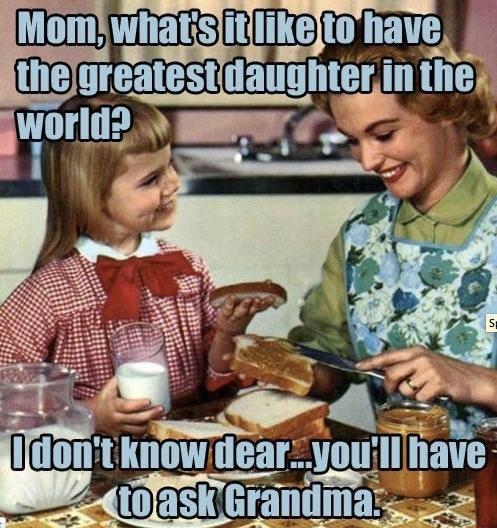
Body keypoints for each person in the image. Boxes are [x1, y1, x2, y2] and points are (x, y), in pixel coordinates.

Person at [0, 94, 274, 436]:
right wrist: (90, 415)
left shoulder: (189, 269)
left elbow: (214, 379)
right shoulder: (49, 294)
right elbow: (9, 399)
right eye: (151, 179)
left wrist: (229, 332)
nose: (174, 183)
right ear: (91, 194)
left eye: (170, 165)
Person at [289, 12, 497, 439]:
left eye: (383, 134)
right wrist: (278, 366)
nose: (367, 161)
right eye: (353, 140)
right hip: (403, 475)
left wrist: (477, 381)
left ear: (443, 106)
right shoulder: (362, 234)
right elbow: (329, 352)